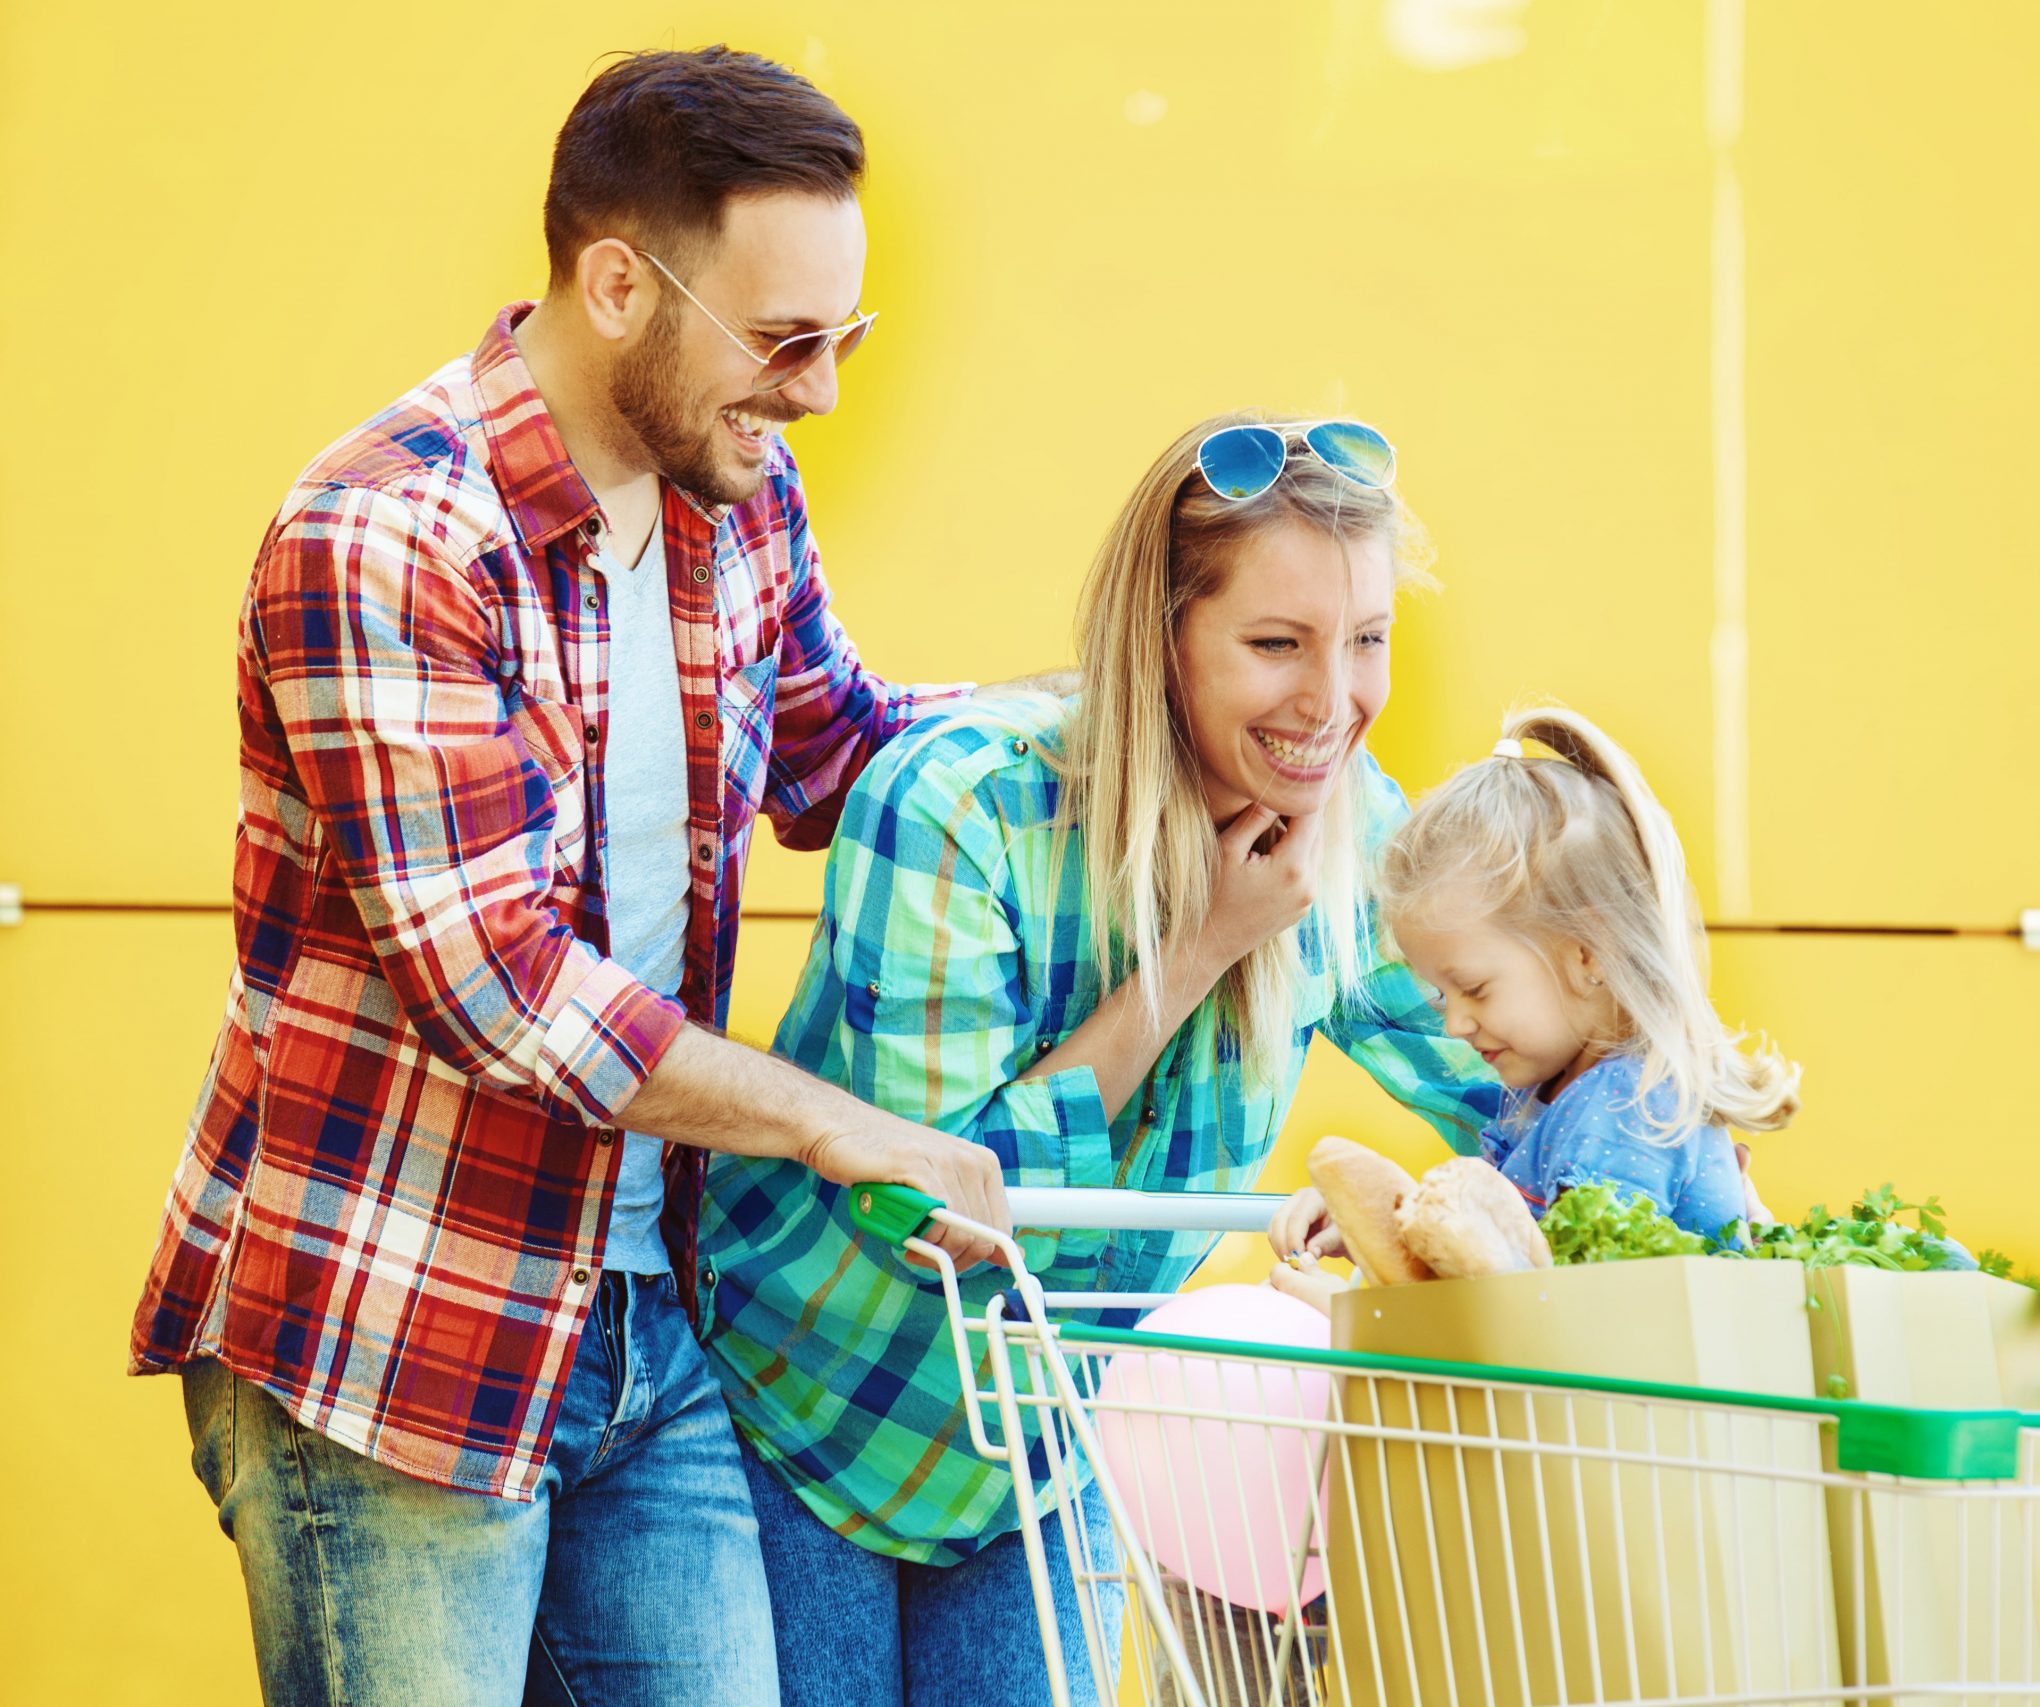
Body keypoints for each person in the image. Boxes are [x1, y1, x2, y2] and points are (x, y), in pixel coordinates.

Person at [126, 47, 1005, 1707]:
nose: (820, 392)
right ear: (617, 281)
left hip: (648, 1325)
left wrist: (1125, 719)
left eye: (848, 339)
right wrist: (832, 1121)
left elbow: (841, 753)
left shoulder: (732, 496)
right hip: (395, 1338)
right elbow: (499, 991)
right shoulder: (385, 534)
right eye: (787, 341)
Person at [700, 412, 1505, 1704]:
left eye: (1366, 641)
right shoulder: (959, 804)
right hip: (809, 1417)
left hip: (1039, 1450)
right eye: (1277, 643)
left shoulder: (1348, 830)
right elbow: (933, 1209)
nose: (1332, 701)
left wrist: (1641, 1149)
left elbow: (1508, 1076)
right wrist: (1191, 958)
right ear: (1165, 634)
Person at [1272, 706, 1796, 1259]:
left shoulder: (1621, 1110)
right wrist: (1382, 1224)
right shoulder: (1554, 1093)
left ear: (1589, 954)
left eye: (1475, 989)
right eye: (1441, 996)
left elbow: (1554, 1304)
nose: (1454, 1023)